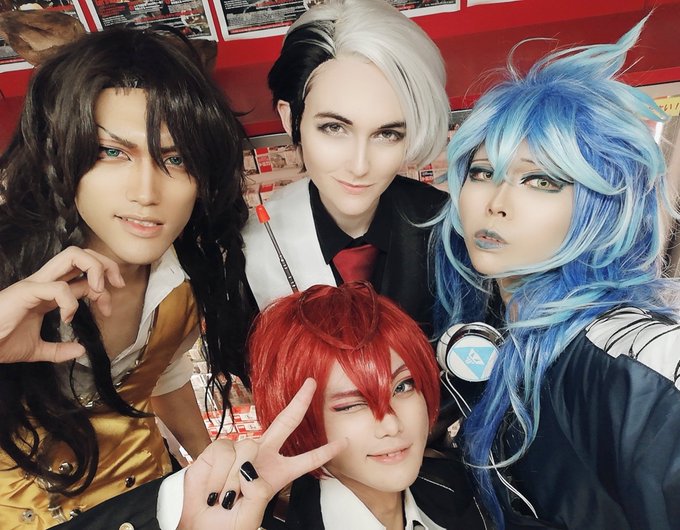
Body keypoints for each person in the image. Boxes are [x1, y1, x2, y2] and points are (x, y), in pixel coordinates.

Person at [433, 16, 680, 529]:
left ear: (599, 207)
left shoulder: (627, 359)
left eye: (541, 181)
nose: (497, 203)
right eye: (482, 173)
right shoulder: (498, 328)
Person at [0, 26, 252, 526]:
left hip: (148, 503)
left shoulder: (184, 283)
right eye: (111, 152)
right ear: (60, 154)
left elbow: (165, 381)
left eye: (175, 159)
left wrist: (217, 475)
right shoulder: (9, 269)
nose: (146, 192)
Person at [242, 0, 450, 336]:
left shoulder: (445, 227)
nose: (359, 165)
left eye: (387, 134)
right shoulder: (255, 244)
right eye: (334, 128)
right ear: (290, 118)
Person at [250, 282, 485, 529]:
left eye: (403, 386)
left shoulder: (458, 487)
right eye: (350, 405)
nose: (392, 425)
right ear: (301, 419)